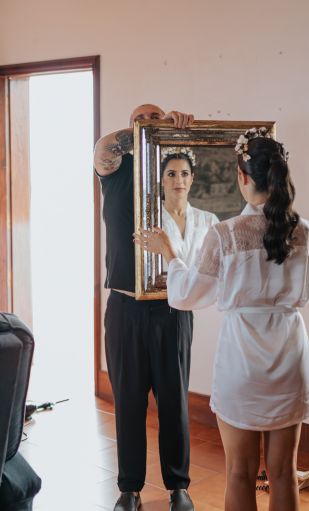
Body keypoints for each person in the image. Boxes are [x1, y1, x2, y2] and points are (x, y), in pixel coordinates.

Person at [136, 127, 309, 511]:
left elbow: (187, 295)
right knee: (284, 473)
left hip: (242, 361)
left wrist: (170, 253)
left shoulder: (225, 234)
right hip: (289, 356)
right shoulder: (308, 233)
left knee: (240, 472)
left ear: (242, 176)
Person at [93, 104, 196, 511]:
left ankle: (178, 488)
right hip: (125, 308)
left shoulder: (175, 174)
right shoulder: (116, 169)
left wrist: (178, 133)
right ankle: (129, 489)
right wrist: (146, 129)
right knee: (129, 402)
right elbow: (104, 147)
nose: (151, 122)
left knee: (174, 402)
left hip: (173, 308)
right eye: (144, 118)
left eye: (156, 117)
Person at [159, 146, 218, 267]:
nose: (179, 180)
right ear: (162, 179)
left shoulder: (209, 221)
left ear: (192, 178)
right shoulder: (150, 221)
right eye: (171, 174)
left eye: (185, 174)